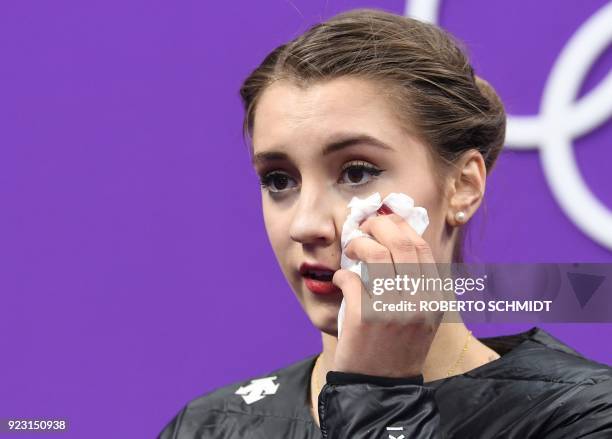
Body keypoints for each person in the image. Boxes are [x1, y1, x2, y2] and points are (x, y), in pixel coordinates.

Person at [158, 8, 612, 438]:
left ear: (462, 187)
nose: (305, 224)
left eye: (356, 172)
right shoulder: (211, 425)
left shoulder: (583, 414)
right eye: (279, 180)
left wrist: (376, 393)